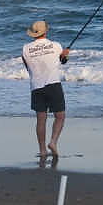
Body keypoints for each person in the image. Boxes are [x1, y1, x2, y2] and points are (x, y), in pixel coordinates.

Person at [21, 20, 70, 158]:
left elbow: (28, 67)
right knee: (60, 116)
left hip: (36, 87)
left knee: (41, 120)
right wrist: (64, 55)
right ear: (45, 31)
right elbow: (63, 61)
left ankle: (42, 150)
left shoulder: (25, 48)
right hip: (53, 84)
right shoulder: (55, 46)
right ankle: (53, 142)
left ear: (33, 34)